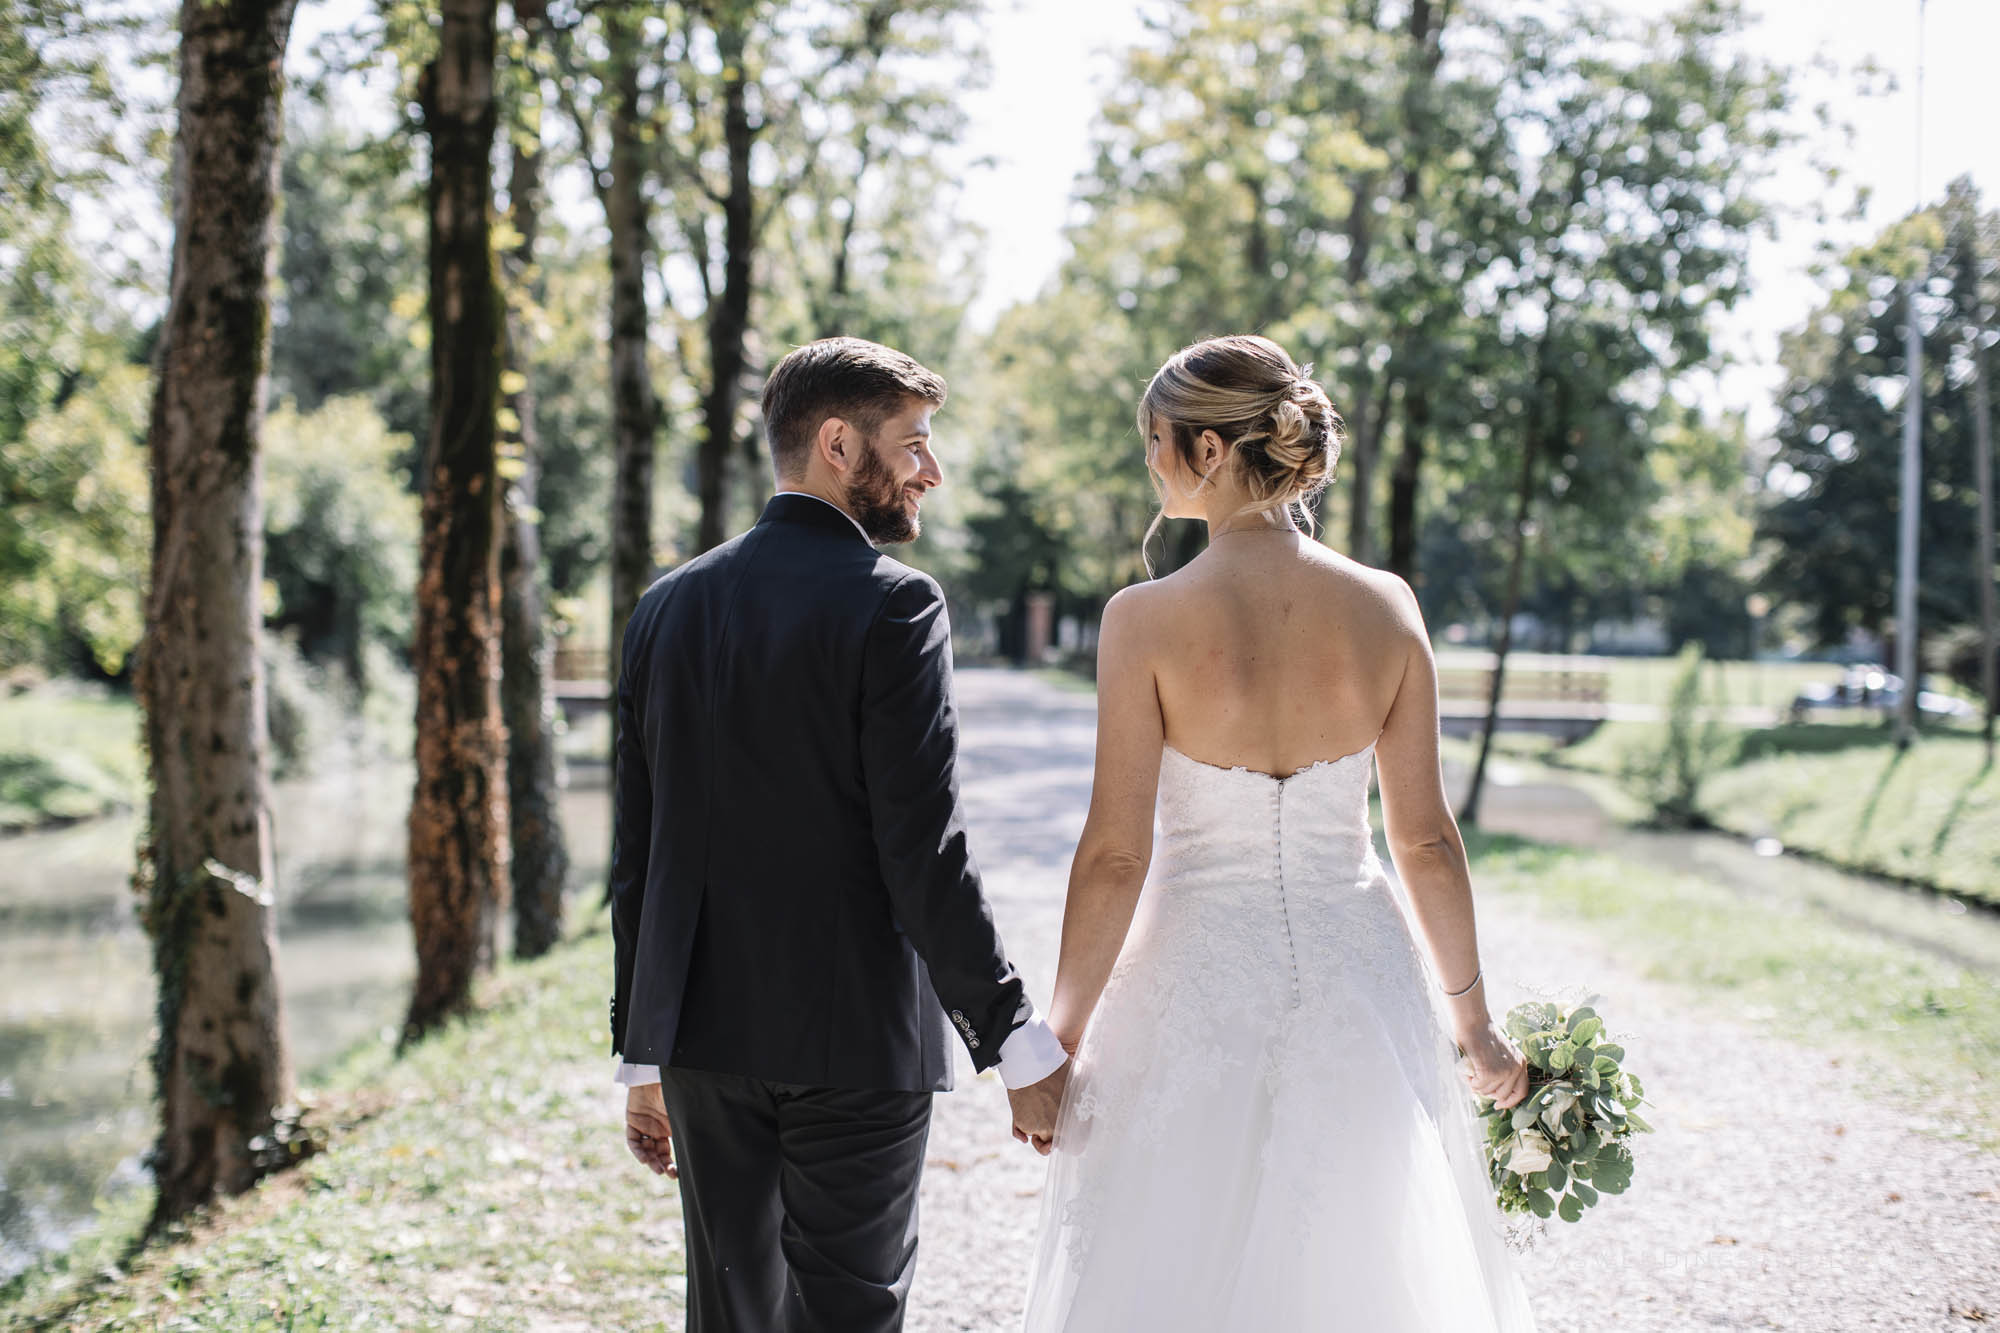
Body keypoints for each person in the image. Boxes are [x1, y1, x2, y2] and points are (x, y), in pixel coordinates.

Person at [1021, 334, 1538, 1331]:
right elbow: (1425, 841)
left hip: (1191, 980)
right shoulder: (1386, 606)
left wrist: (1062, 1037)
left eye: (1157, 439)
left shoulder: (1143, 620)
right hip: (1358, 978)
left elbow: (1116, 855)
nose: (1150, 461)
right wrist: (1472, 1024)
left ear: (1212, 450)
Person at [609, 336, 1071, 1333]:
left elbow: (637, 855)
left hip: (700, 1040)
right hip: (854, 1039)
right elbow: (924, 850)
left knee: (729, 1315)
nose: (930, 471)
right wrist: (1013, 1039)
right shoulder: (895, 603)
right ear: (836, 443)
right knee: (851, 1314)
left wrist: (642, 1054)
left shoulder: (661, 609)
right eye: (913, 443)